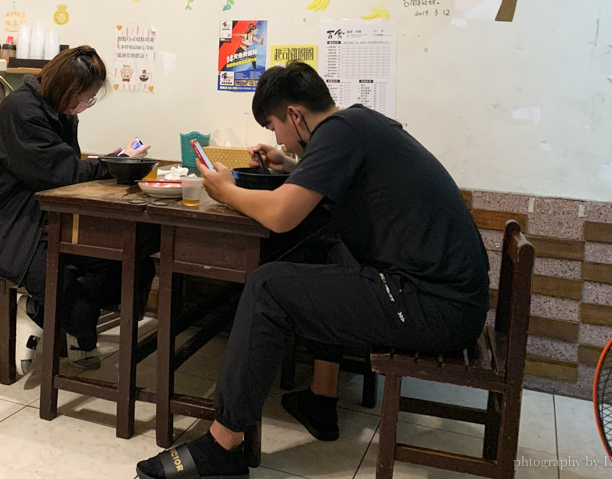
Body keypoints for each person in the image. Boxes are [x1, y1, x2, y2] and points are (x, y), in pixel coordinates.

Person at [137, 61, 489, 479]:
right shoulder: (357, 123)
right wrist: (289, 165)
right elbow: (336, 182)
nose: (276, 138)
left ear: (294, 115)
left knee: (267, 287)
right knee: (329, 255)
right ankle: (321, 398)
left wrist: (226, 190)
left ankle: (222, 446)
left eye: (273, 127)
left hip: (432, 306)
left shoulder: (338, 133)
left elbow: (282, 216)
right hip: (451, 299)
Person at [0, 45, 154, 373]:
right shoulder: (22, 110)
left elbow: (65, 169)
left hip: (42, 222)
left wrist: (110, 161)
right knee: (76, 304)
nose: (84, 106)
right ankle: (69, 322)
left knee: (134, 264)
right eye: (85, 98)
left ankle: (45, 312)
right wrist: (114, 164)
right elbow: (61, 174)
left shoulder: (59, 112)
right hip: (2, 228)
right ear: (67, 89)